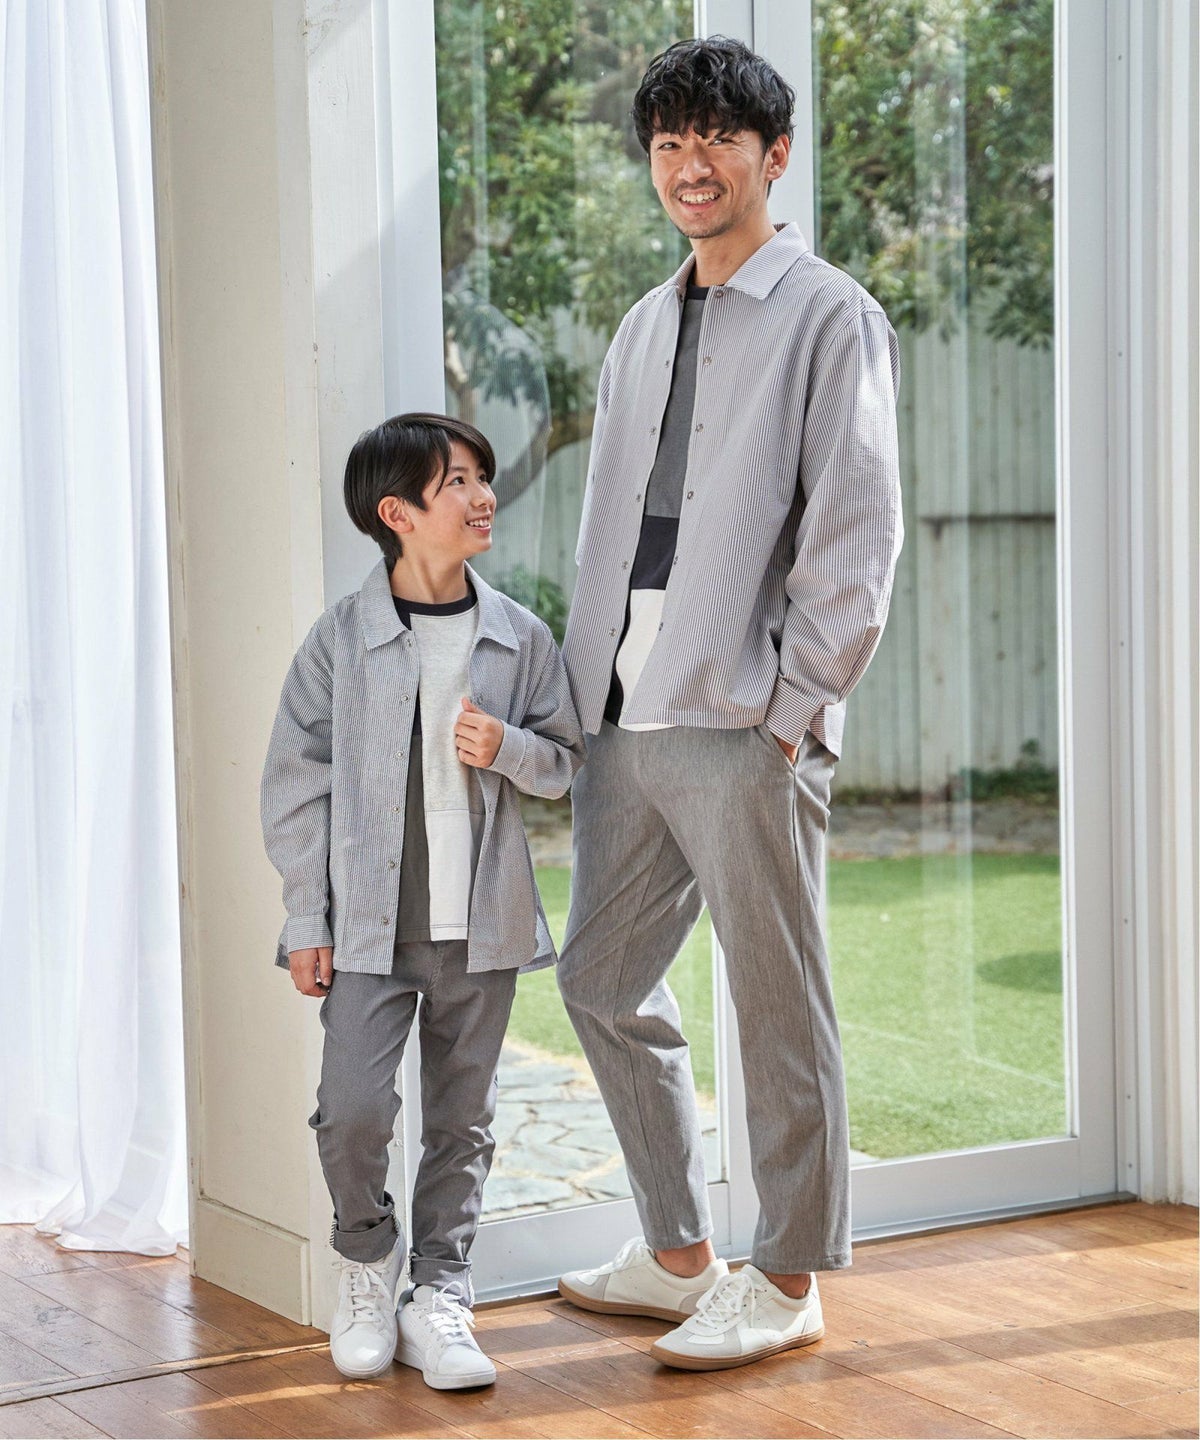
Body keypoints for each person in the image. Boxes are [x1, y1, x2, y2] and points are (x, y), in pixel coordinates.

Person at [554, 37, 903, 1371]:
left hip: (745, 710)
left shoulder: (829, 315)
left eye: (717, 140)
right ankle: (677, 1253)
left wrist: (798, 707)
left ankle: (790, 1274)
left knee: (776, 999)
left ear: (775, 155)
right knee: (599, 979)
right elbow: (612, 521)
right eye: (668, 143)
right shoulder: (644, 324)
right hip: (625, 706)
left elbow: (857, 530)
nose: (690, 165)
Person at [261, 413, 584, 1388]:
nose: (484, 495)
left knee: (462, 1123)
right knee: (352, 1113)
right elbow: (295, 783)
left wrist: (509, 749)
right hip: (370, 927)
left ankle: (440, 1293)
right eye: (459, 482)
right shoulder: (343, 639)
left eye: (483, 476)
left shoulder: (519, 637)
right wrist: (306, 918)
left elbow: (565, 763)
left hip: (481, 926)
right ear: (397, 513)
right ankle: (366, 1264)